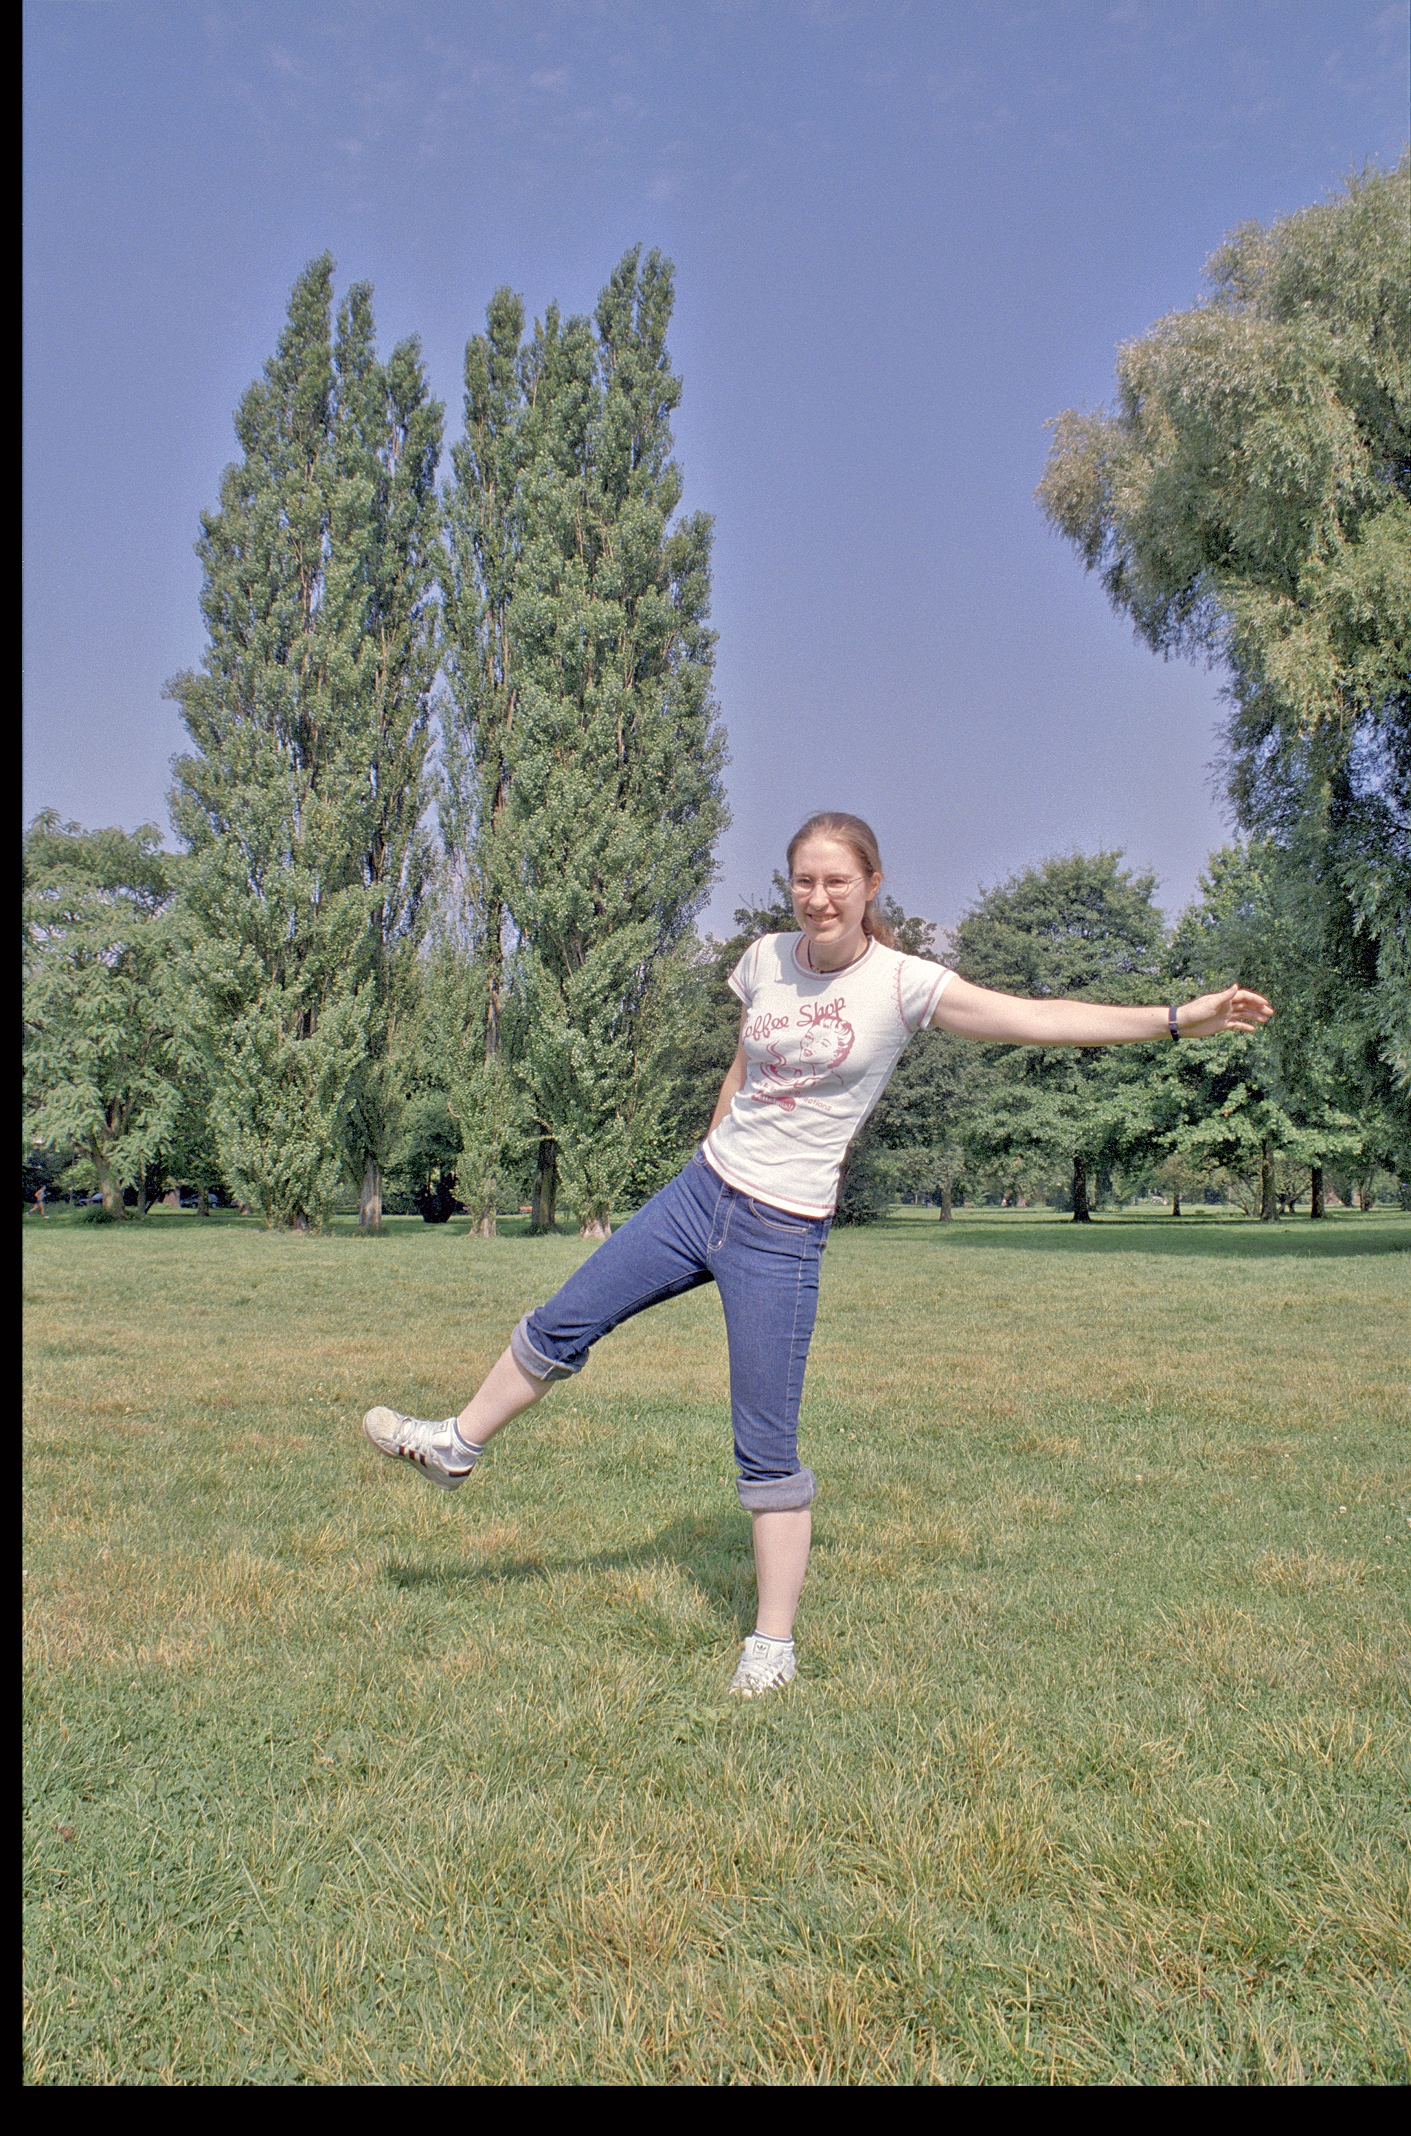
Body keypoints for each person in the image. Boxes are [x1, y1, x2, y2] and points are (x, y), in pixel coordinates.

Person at [364, 812, 1273, 1698]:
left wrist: (1175, 1018)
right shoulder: (764, 958)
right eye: (804, 880)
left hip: (782, 1227)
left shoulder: (903, 983)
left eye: (837, 880)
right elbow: (742, 1067)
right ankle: (457, 1445)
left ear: (872, 885)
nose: (819, 897)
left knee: (765, 1444)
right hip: (701, 1193)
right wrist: (709, 1149)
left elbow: (1037, 1018)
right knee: (564, 1318)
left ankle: (771, 1645)